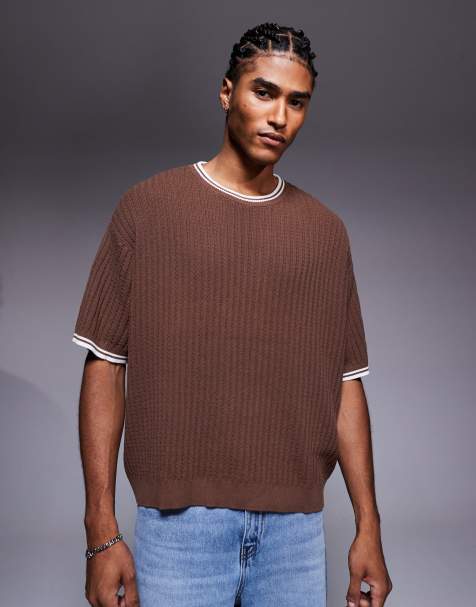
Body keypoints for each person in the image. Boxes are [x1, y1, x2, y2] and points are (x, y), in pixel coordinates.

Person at [73, 21, 392, 607]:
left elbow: (346, 384)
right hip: (179, 529)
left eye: (297, 102)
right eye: (263, 92)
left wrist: (368, 526)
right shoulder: (147, 210)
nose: (280, 117)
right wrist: (101, 531)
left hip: (295, 535)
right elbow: (105, 366)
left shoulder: (325, 233)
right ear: (227, 93)